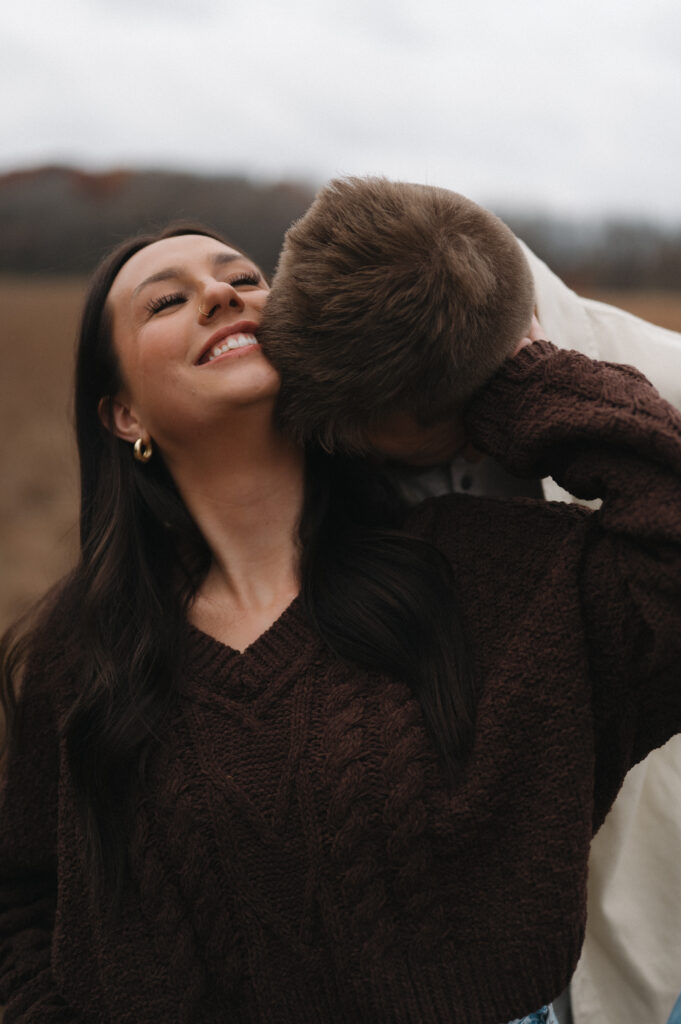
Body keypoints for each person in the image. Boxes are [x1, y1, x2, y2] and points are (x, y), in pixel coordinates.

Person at [1, 218, 680, 1024]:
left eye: (245, 280)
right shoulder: (87, 648)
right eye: (166, 302)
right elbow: (27, 898)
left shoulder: (470, 571)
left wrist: (513, 378)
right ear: (124, 416)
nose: (220, 294)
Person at [261, 176, 681, 1024]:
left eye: (370, 428)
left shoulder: (665, 385)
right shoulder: (325, 374)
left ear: (474, 407)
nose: (340, 442)